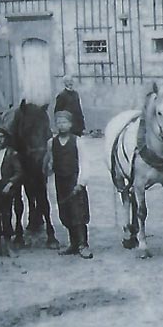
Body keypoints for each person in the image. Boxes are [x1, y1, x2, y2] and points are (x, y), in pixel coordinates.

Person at [45, 110, 92, 258]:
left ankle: (83, 244)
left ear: (70, 124)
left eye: (64, 122)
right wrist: (48, 165)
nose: (61, 125)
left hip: (75, 181)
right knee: (65, 213)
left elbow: (85, 162)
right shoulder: (51, 143)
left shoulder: (77, 141)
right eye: (58, 122)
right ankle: (72, 243)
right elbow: (50, 164)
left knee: (79, 213)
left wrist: (81, 183)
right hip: (61, 181)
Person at [0, 125, 23, 258]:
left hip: (5, 189)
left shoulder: (11, 153)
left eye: (2, 137)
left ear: (6, 138)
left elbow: (19, 172)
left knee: (6, 216)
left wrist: (10, 183)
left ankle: (9, 246)